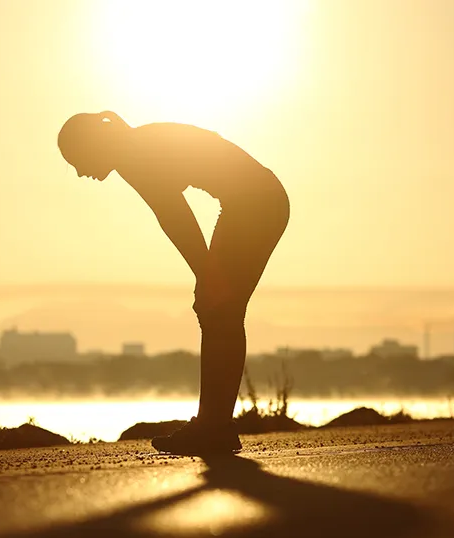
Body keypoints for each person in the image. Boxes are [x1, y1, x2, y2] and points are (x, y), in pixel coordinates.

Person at [57, 111, 289, 456]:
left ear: (93, 144)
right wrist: (206, 275)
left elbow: (175, 216)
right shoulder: (131, 145)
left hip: (257, 204)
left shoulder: (132, 152)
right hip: (255, 202)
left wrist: (207, 275)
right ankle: (215, 425)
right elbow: (174, 212)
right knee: (218, 310)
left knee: (219, 310)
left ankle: (214, 427)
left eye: (77, 160)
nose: (79, 172)